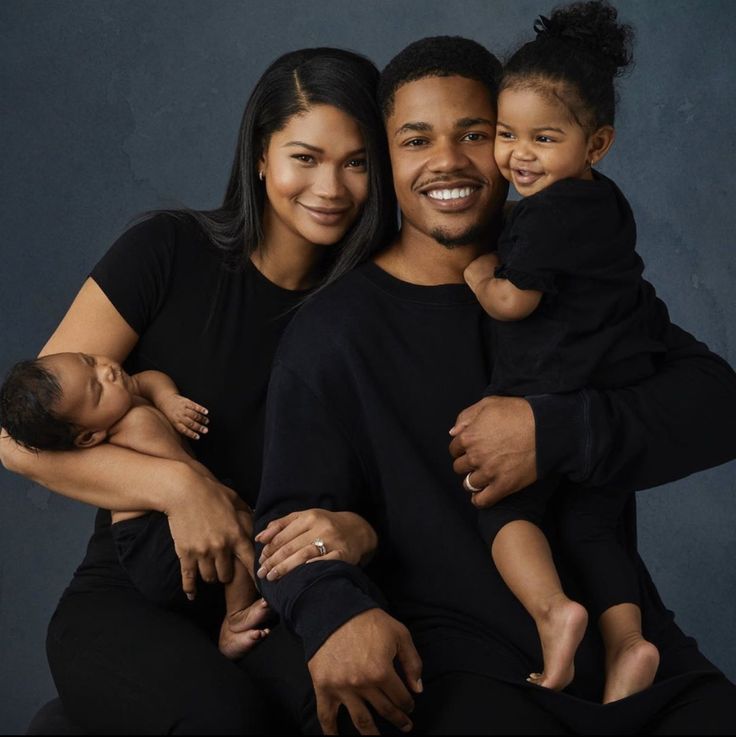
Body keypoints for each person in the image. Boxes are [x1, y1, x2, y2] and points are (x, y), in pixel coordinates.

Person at [254, 35, 736, 735]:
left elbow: (718, 404)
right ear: (387, 160)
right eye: (416, 140)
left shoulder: (580, 274)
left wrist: (553, 433)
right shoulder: (334, 332)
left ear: (514, 144)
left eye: (476, 134)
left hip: (635, 659)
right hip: (461, 670)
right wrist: (337, 613)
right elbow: (292, 526)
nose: (447, 160)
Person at [0, 47, 395, 734]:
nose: (330, 187)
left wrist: (356, 532)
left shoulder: (369, 307)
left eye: (357, 162)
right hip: (131, 595)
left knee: (360, 713)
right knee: (225, 718)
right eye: (305, 156)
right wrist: (183, 490)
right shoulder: (169, 251)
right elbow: (19, 442)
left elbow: (393, 483)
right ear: (262, 156)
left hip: (273, 600)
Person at [461, 0, 660, 703]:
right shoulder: (606, 201)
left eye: (543, 139)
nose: (518, 154)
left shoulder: (542, 215)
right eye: (506, 135)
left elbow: (516, 302)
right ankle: (629, 645)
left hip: (546, 394)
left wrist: (480, 273)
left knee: (501, 508)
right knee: (595, 524)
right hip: (614, 388)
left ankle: (555, 612)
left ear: (596, 143)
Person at [0, 354, 270, 658]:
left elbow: (150, 378)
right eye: (98, 388)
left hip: (147, 533)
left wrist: (167, 398)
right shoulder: (137, 426)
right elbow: (198, 484)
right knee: (235, 531)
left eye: (89, 360)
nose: (108, 370)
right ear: (90, 437)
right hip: (149, 544)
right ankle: (235, 619)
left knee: (233, 525)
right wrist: (238, 506)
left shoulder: (121, 395)